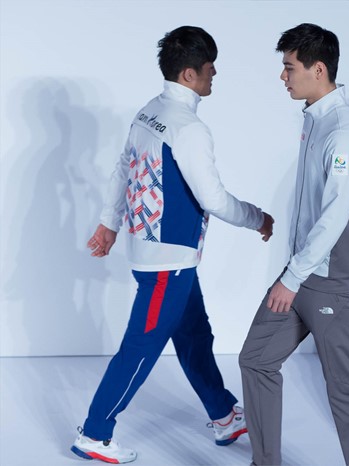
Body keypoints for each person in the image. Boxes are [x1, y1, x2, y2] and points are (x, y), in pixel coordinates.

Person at [71, 26, 274, 464]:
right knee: (141, 348)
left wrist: (109, 223)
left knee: (196, 336)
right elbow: (214, 199)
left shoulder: (150, 111)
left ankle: (224, 415)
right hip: (168, 262)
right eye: (209, 67)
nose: (215, 73)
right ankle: (95, 433)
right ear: (188, 74)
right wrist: (258, 217)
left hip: (163, 255)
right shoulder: (189, 128)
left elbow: (123, 168)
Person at [238, 23, 349, 466]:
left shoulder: (343, 131)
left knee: (345, 386)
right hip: (302, 272)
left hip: (334, 282)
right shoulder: (315, 118)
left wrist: (292, 276)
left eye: (289, 67)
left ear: (318, 69)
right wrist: (295, 272)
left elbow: (335, 216)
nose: (283, 76)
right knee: (256, 359)